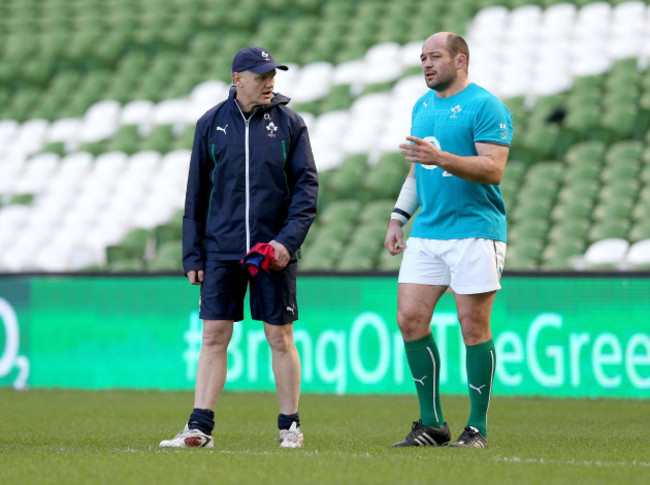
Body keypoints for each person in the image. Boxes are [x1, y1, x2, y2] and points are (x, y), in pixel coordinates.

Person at [160, 46, 319, 449]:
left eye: (272, 76)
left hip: (272, 252)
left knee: (279, 335)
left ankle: (290, 427)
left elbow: (306, 189)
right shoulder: (209, 124)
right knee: (214, 335)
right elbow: (195, 194)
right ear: (237, 79)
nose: (270, 82)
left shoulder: (290, 124)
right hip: (221, 249)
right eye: (262, 75)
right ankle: (199, 429)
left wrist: (286, 242)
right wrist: (193, 254)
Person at [384, 32, 512, 448]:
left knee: (472, 326)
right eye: (422, 57)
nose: (426, 63)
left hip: (475, 230)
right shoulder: (421, 107)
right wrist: (398, 218)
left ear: (460, 60)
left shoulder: (485, 105)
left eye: (434, 56)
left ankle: (477, 429)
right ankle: (432, 423)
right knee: (409, 318)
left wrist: (443, 159)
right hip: (429, 231)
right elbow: (417, 171)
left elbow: (493, 169)